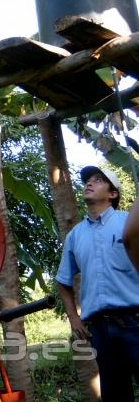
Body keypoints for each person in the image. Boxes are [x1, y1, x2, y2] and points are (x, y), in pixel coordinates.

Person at [56, 165, 139, 401]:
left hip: (135, 321)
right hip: (100, 330)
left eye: (98, 180)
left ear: (112, 194)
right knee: (116, 396)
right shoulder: (75, 235)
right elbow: (63, 281)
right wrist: (74, 317)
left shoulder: (129, 223)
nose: (89, 183)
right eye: (87, 180)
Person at [123, 196, 139, 271]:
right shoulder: (81, 228)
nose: (89, 184)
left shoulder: (125, 219)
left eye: (98, 182)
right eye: (86, 183)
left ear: (113, 194)